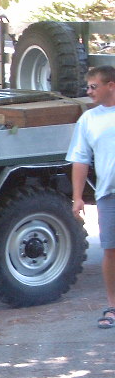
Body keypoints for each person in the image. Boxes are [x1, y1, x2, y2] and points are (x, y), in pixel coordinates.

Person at [66, 66, 115, 328]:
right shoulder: (89, 119)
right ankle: (113, 306)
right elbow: (80, 159)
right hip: (109, 194)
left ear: (111, 85)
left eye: (94, 86)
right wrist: (77, 196)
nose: (88, 91)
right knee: (111, 250)